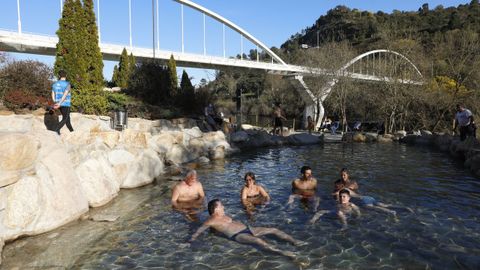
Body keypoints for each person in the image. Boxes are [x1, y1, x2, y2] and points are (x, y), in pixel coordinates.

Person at [190, 199, 306, 258]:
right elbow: (199, 230)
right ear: (215, 209)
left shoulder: (224, 215)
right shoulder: (211, 220)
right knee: (259, 241)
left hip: (249, 228)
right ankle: (283, 253)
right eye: (221, 205)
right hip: (238, 235)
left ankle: (295, 242)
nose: (224, 206)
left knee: (273, 229)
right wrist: (191, 240)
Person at [51, 70, 74, 135]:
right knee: (65, 119)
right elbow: (65, 94)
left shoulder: (54, 84)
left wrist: (55, 102)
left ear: (59, 76)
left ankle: (72, 132)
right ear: (66, 75)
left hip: (58, 103)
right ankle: (55, 131)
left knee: (67, 120)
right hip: (65, 104)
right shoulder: (68, 84)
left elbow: (52, 94)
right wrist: (60, 103)